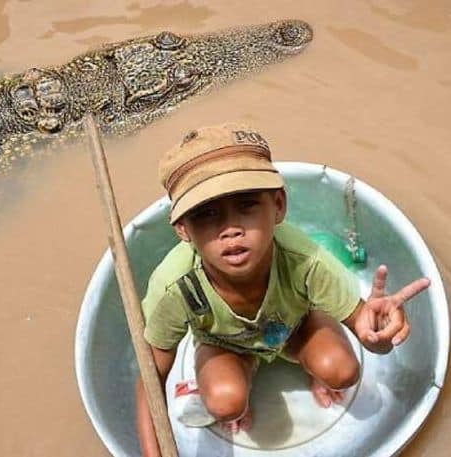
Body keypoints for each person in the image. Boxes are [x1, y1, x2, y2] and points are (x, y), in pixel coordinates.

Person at [135, 123, 430, 456]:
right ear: (182, 229)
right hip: (225, 344)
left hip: (296, 328)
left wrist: (378, 336)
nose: (230, 230)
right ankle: (242, 373)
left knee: (342, 371)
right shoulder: (175, 286)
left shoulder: (305, 261)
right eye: (207, 214)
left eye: (246, 205)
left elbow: (371, 336)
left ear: (277, 205)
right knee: (224, 401)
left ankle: (308, 366)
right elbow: (150, 378)